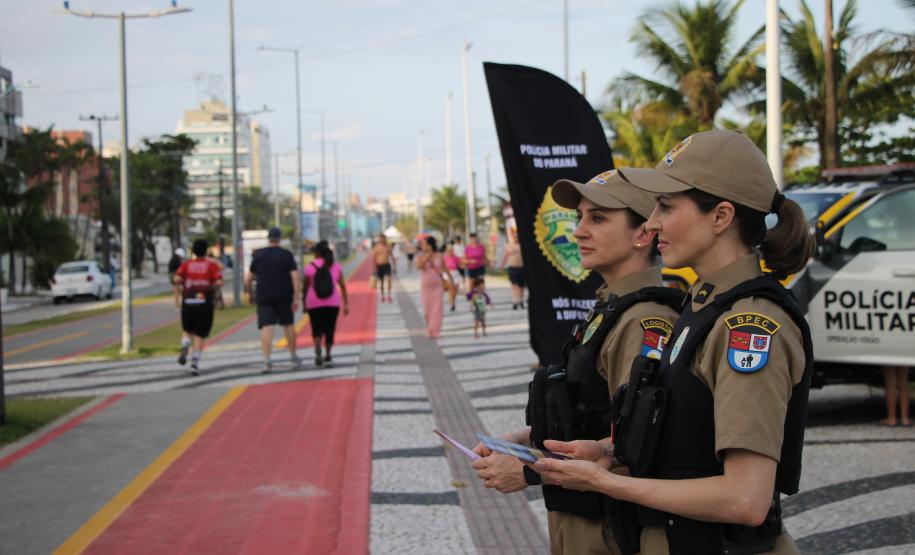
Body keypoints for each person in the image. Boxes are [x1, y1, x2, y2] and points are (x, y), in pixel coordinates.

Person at [532, 130, 816, 555]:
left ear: (720, 217)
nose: (652, 223)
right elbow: (687, 436)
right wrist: (608, 450)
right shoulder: (703, 308)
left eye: (666, 206)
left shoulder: (748, 326)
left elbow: (746, 498)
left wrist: (606, 483)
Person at [471, 170, 683, 555]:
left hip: (613, 530)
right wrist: (525, 439)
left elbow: (644, 442)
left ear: (643, 234)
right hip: (583, 520)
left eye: (598, 218)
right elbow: (597, 414)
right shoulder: (612, 307)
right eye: (580, 217)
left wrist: (530, 470)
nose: (579, 231)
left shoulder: (644, 319)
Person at [245, 227, 303, 373]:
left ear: (268, 238)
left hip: (264, 296)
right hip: (284, 295)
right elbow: (295, 277)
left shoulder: (259, 255)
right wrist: (296, 297)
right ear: (279, 238)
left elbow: (248, 278)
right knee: (288, 324)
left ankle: (267, 361)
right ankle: (293, 356)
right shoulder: (287, 255)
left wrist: (250, 294)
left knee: (267, 327)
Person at [173, 239, 223, 375]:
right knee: (200, 334)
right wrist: (212, 288)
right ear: (206, 251)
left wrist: (184, 286)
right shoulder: (211, 266)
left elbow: (177, 279)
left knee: (187, 329)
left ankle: (185, 345)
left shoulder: (187, 264)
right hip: (204, 303)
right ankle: (194, 363)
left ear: (193, 251)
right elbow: (219, 281)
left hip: (188, 302)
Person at [303, 240, 349, 367]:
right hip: (332, 303)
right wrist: (346, 304)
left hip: (314, 302)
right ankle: (328, 355)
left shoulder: (310, 267)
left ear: (317, 253)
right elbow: (343, 286)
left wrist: (304, 303)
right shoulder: (336, 266)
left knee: (316, 328)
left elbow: (305, 287)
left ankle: (318, 349)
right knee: (330, 329)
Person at [415, 236, 452, 339]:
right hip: (426, 286)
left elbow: (445, 268)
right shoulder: (420, 256)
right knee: (427, 310)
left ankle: (436, 332)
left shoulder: (439, 255)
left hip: (437, 286)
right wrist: (428, 255)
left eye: (424, 244)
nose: (422, 246)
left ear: (430, 245)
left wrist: (451, 280)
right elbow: (418, 267)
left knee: (437, 309)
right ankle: (429, 330)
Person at [499, 227, 526, 310]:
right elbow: (505, 256)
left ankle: (520, 300)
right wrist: (501, 265)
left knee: (521, 286)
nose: (516, 238)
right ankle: (515, 301)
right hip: (512, 268)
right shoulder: (508, 246)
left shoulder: (522, 245)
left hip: (522, 268)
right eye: (514, 236)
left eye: (517, 236)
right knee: (514, 285)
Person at [372, 234, 396, 303]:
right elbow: (374, 258)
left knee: (389, 280)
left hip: (386, 265)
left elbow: (392, 256)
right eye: (380, 238)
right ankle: (382, 296)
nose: (382, 240)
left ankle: (389, 295)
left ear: (385, 239)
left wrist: (394, 266)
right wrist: (374, 267)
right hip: (379, 266)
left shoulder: (388, 247)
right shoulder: (376, 247)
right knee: (381, 282)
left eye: (383, 238)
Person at [443, 241, 462, 311]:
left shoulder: (456, 258)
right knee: (451, 289)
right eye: (449, 250)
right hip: (447, 273)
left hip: (455, 273)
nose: (450, 252)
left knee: (455, 290)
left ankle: (453, 301)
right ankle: (451, 303)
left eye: (451, 250)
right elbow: (442, 266)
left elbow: (460, 265)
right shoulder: (444, 257)